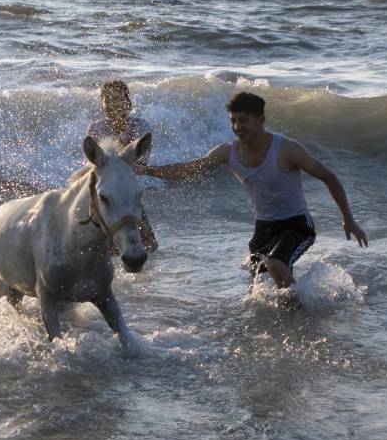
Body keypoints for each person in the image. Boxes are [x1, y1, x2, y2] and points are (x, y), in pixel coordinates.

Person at [141, 91, 367, 293]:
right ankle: (283, 315)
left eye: (244, 120)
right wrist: (146, 170)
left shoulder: (286, 149)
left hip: (297, 225)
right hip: (263, 228)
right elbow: (188, 169)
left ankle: (299, 317)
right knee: (257, 288)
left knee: (276, 265)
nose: (238, 127)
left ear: (261, 120)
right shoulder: (227, 152)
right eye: (233, 121)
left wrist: (348, 219)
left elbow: (329, 177)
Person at [87, 80, 158, 252]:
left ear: (129, 103)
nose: (113, 104)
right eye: (108, 100)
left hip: (127, 188)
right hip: (103, 190)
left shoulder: (140, 126)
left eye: (118, 99)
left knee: (150, 246)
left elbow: (140, 163)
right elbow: (94, 164)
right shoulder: (95, 128)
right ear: (102, 106)